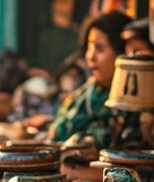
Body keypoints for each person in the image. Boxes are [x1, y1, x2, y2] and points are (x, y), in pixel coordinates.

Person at [49, 10, 140, 148]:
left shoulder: (131, 103)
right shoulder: (83, 95)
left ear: (122, 54)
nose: (90, 57)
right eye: (89, 47)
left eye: (100, 49)